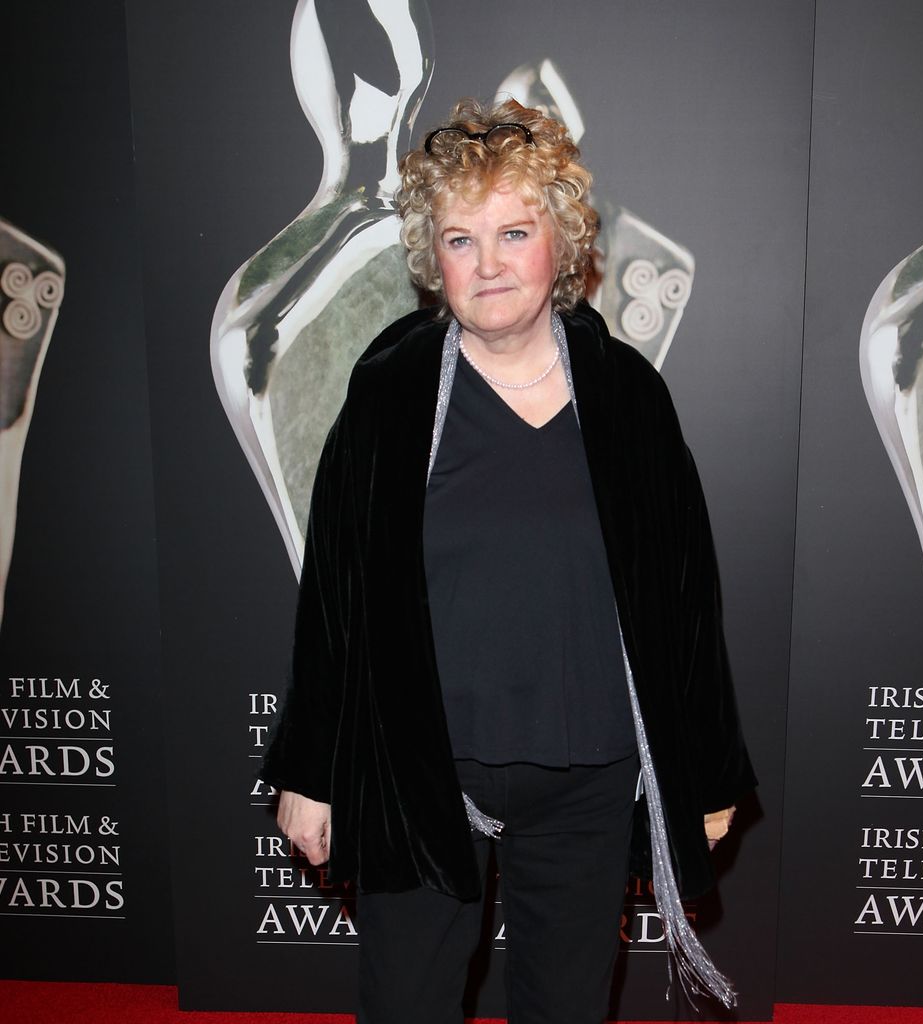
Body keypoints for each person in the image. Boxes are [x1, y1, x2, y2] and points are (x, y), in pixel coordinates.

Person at [261, 98, 756, 1024]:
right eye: (461, 239)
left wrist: (709, 773)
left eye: (513, 233)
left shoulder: (627, 396)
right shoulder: (391, 391)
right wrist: (312, 767)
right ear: (433, 258)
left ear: (560, 244)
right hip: (421, 769)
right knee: (404, 1006)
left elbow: (685, 599)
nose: (487, 264)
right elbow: (336, 589)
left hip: (587, 776)